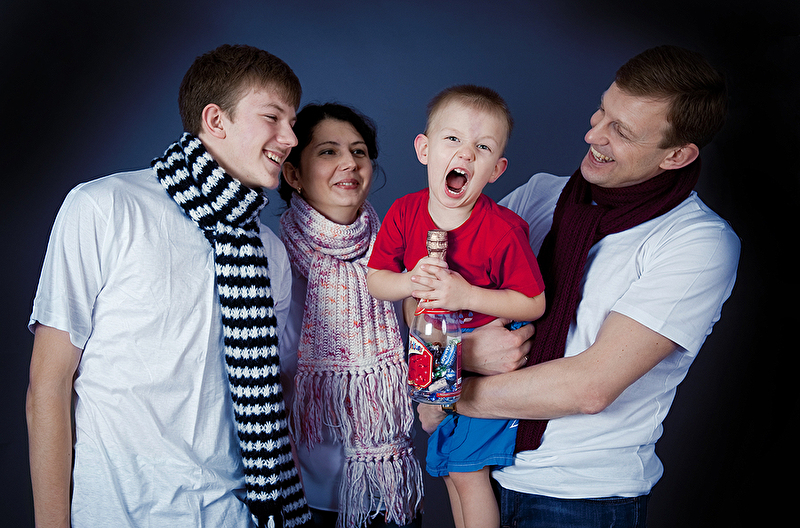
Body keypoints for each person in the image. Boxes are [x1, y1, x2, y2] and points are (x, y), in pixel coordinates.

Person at [418, 45, 741, 527]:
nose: (593, 134)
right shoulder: (540, 194)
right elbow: (428, 291)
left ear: (677, 155)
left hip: (578, 500)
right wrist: (461, 352)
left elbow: (590, 386)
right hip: (480, 464)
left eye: (621, 131)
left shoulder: (696, 242)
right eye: (601, 111)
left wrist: (441, 388)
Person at [25, 44, 313, 528]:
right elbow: (47, 388)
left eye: (293, 121)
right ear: (215, 120)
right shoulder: (105, 207)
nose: (290, 137)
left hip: (237, 514)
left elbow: (275, 400)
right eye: (272, 117)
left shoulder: (269, 252)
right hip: (119, 513)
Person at [366, 85, 546, 528]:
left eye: (482, 147)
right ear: (424, 150)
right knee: (448, 469)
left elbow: (533, 303)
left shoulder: (503, 230)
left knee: (467, 472)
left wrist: (466, 296)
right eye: (453, 139)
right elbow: (376, 280)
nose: (465, 153)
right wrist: (410, 281)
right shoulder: (404, 213)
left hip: (489, 367)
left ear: (496, 169)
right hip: (436, 360)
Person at [277, 103, 423, 528]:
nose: (350, 163)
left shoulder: (401, 256)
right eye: (328, 151)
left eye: (359, 152)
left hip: (389, 493)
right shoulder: (271, 259)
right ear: (293, 174)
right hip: (301, 498)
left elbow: (431, 353)